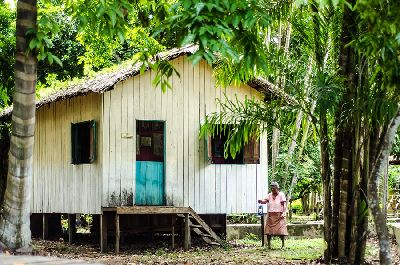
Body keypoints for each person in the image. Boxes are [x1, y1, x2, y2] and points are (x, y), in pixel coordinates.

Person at [258, 181, 288, 249]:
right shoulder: (269, 195)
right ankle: (269, 245)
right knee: (269, 231)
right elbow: (265, 201)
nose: (272, 190)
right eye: (271, 188)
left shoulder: (281, 195)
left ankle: (283, 245)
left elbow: (284, 205)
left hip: (279, 214)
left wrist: (284, 213)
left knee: (281, 231)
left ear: (277, 188)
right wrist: (261, 201)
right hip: (271, 215)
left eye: (274, 188)